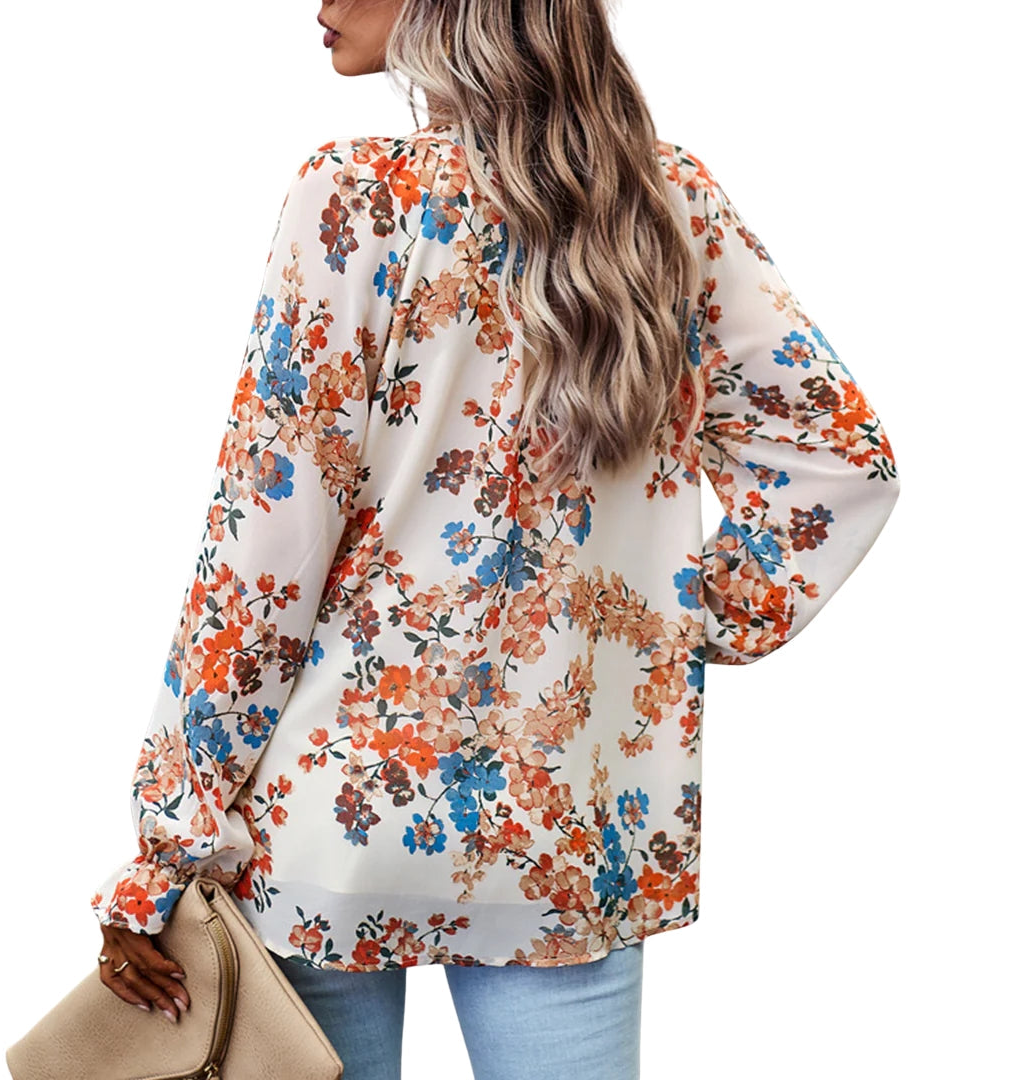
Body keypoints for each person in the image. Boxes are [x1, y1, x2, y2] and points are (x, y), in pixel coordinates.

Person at [89, 2, 901, 1078]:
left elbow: (262, 553)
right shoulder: (667, 203)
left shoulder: (356, 197)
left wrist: (170, 845)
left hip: (331, 818)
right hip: (569, 822)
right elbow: (837, 462)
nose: (320, 3)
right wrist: (669, 627)